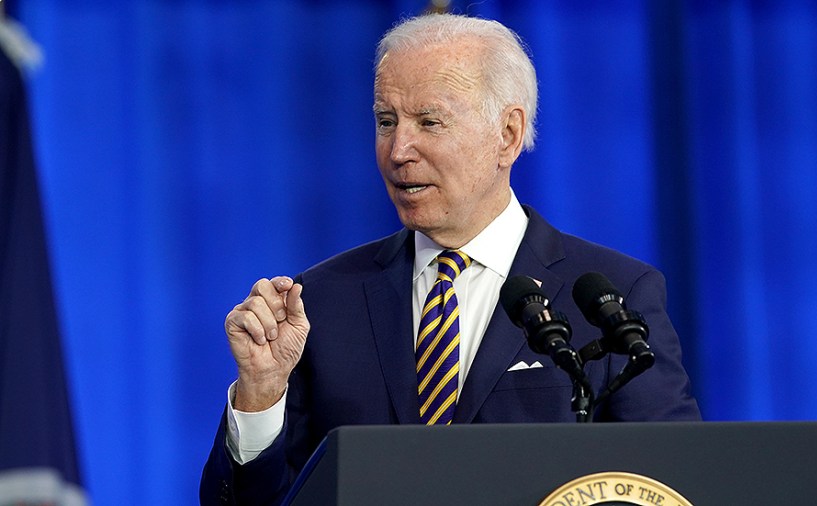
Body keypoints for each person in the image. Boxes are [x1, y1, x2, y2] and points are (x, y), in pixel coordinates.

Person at [200, 12, 700, 505]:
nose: (398, 150)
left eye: (429, 122)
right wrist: (262, 395)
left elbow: (674, 484)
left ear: (507, 134)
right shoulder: (326, 301)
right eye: (386, 121)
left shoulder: (611, 296)